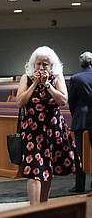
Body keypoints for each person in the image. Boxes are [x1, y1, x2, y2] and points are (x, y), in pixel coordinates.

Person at [16, 46, 80, 205]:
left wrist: (47, 85)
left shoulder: (57, 77)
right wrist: (35, 84)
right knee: (34, 169)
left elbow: (63, 101)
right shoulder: (26, 77)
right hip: (32, 130)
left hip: (53, 130)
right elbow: (20, 102)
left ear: (52, 66)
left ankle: (43, 207)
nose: (41, 67)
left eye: (45, 64)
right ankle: (33, 209)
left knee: (47, 170)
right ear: (33, 64)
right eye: (38, 64)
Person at [68, 51, 92, 193]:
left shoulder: (76, 78)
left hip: (81, 119)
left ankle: (80, 185)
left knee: (80, 154)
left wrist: (75, 113)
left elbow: (72, 101)